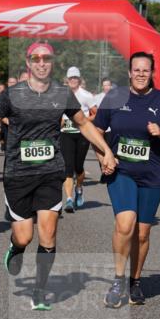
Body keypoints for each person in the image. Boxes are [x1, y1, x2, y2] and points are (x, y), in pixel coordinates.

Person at [0, 42, 116, 310]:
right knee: (23, 236)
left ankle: (39, 291)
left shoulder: (62, 93)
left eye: (47, 59)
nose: (42, 63)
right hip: (18, 173)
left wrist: (106, 150)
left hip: (50, 172)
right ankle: (16, 249)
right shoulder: (13, 95)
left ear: (53, 63)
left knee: (48, 233)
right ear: (28, 63)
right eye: (36, 58)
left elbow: (83, 123)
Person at [93, 52, 160, 307]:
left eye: (146, 70)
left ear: (152, 73)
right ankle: (118, 279)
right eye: (137, 70)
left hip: (151, 172)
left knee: (142, 234)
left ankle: (135, 281)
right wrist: (103, 157)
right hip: (121, 170)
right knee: (125, 224)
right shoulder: (115, 97)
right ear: (130, 72)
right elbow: (96, 131)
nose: (141, 74)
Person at [60, 66, 100, 212]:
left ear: (79, 79)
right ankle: (69, 200)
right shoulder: (61, 94)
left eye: (75, 78)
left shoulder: (86, 95)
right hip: (66, 132)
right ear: (67, 79)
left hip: (82, 134)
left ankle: (79, 187)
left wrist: (84, 120)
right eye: (71, 78)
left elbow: (97, 114)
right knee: (68, 167)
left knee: (79, 167)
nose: (73, 80)